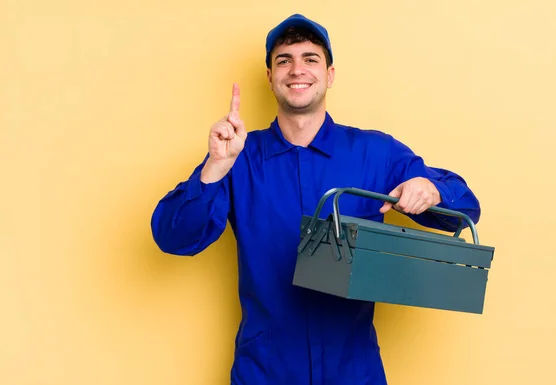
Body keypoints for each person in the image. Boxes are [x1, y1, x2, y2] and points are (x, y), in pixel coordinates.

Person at [151, 13, 481, 385]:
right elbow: (173, 237)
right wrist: (215, 165)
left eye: (310, 59)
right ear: (270, 77)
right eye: (284, 60)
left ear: (330, 74)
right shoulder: (238, 157)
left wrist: (433, 190)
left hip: (354, 371)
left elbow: (466, 210)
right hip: (265, 371)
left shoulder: (376, 152)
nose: (297, 69)